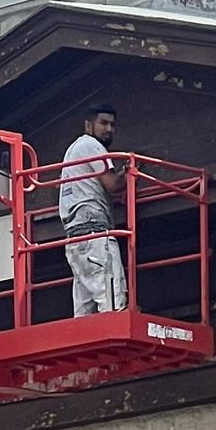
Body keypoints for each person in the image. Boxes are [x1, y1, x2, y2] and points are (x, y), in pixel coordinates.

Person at [57, 105, 127, 315]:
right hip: (94, 232)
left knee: (85, 311)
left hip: (76, 238)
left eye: (112, 125)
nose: (109, 129)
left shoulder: (73, 149)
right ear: (89, 125)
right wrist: (131, 173)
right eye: (103, 123)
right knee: (112, 302)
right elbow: (113, 184)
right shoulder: (92, 146)